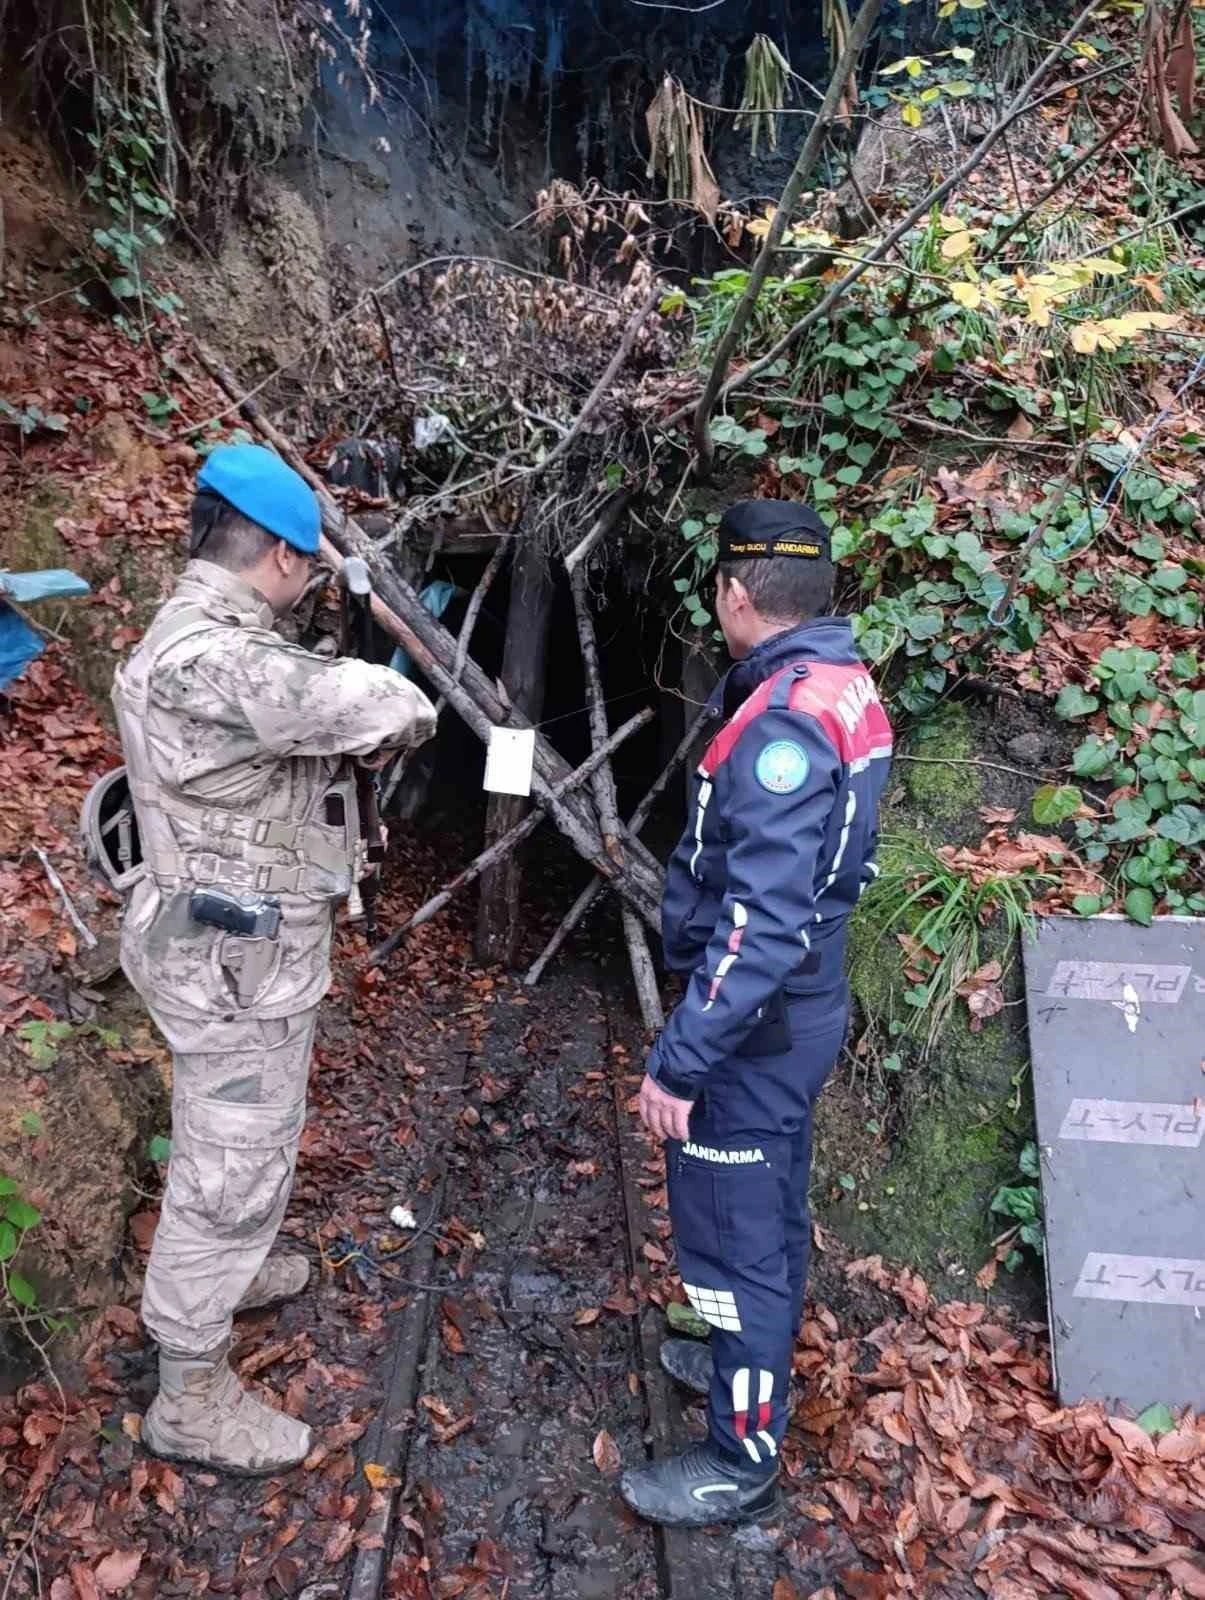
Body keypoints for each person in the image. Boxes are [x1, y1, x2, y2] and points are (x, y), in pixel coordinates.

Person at [109, 444, 436, 1475]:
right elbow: (384, 706)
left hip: (229, 954)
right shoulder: (217, 657)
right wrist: (396, 703)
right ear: (286, 558)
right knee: (231, 1165)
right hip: (230, 964)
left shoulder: (197, 638)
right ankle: (190, 1394)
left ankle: (226, 1270)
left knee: (232, 1141)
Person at [620, 499, 892, 1528]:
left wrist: (680, 1058)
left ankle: (740, 1458)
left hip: (755, 1023)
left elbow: (760, 922)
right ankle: (748, 1359)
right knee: (768, 1201)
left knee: (733, 1233)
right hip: (797, 1009)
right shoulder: (839, 681)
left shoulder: (781, 719)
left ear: (735, 595)